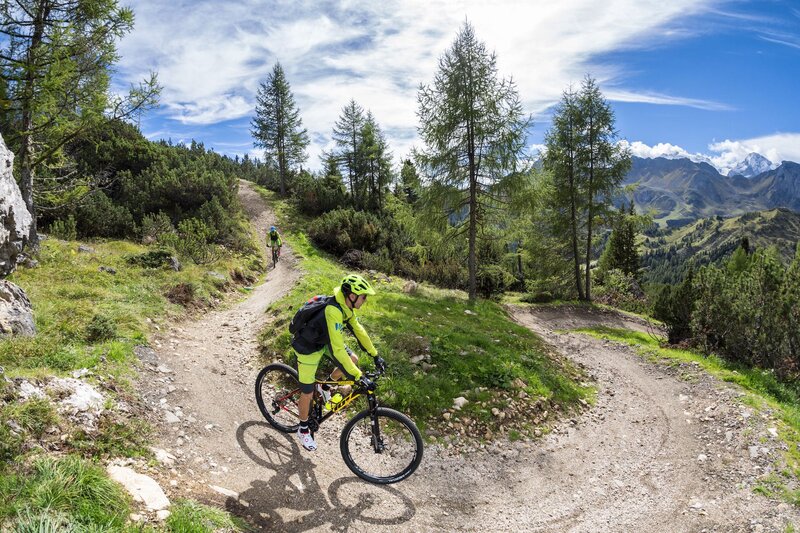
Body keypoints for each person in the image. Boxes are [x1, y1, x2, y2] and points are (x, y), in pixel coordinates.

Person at [292, 274, 378, 451]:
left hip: (323, 341)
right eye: (364, 297)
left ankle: (324, 388)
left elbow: (359, 331)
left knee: (353, 359)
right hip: (308, 347)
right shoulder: (333, 310)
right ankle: (302, 429)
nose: (365, 300)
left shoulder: (346, 307)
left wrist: (375, 355)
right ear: (352, 296)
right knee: (307, 393)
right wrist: (357, 375)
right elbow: (338, 350)